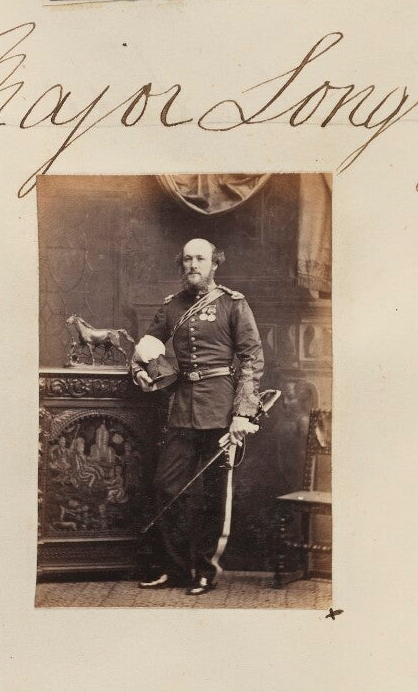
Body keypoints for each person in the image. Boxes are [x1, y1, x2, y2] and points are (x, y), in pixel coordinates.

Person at [131, 238, 264, 595]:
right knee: (167, 486)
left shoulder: (233, 304)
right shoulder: (172, 306)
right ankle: (175, 569)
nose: (193, 265)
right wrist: (140, 371)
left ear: (214, 264)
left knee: (211, 493)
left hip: (220, 409)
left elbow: (251, 359)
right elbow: (146, 347)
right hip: (181, 409)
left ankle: (205, 570)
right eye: (187, 259)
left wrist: (242, 413)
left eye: (200, 259)